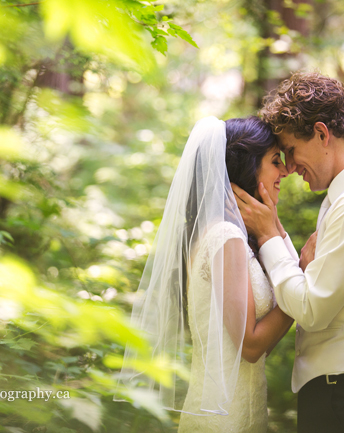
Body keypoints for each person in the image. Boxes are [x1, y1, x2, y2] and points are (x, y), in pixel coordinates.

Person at [232, 72, 344, 433]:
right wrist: (277, 232)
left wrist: (269, 235)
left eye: (290, 150)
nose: (287, 167)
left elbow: (312, 311)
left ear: (321, 133)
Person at [115, 116, 298, 432]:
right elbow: (252, 345)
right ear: (249, 167)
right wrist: (301, 287)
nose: (284, 171)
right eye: (274, 160)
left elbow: (261, 346)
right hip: (222, 419)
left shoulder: (230, 236)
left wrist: (275, 229)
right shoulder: (225, 237)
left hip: (245, 408)